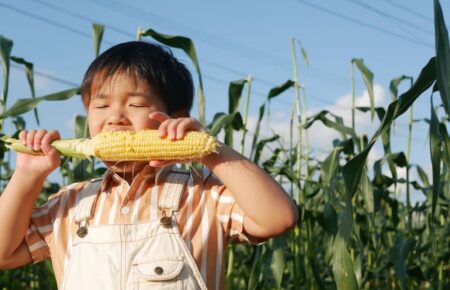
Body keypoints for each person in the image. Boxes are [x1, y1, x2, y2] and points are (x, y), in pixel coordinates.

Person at [0, 41, 298, 290]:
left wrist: (211, 150)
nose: (115, 117)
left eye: (136, 104)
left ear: (175, 118)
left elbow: (278, 218)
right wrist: (26, 176)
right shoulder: (68, 205)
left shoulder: (202, 194)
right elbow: (4, 253)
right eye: (101, 106)